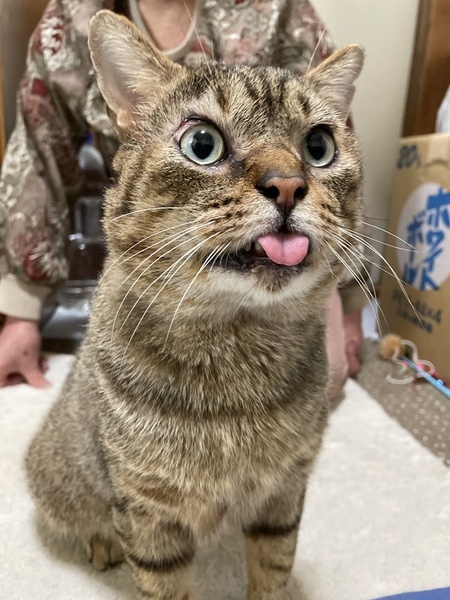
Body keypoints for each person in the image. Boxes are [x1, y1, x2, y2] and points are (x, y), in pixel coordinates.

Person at [0, 0, 365, 389]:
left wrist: (350, 301)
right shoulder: (75, 13)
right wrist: (21, 310)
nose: (282, 182)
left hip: (297, 242)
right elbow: (41, 145)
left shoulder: (280, 6)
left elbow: (338, 150)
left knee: (328, 375)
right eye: (202, 142)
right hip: (164, 242)